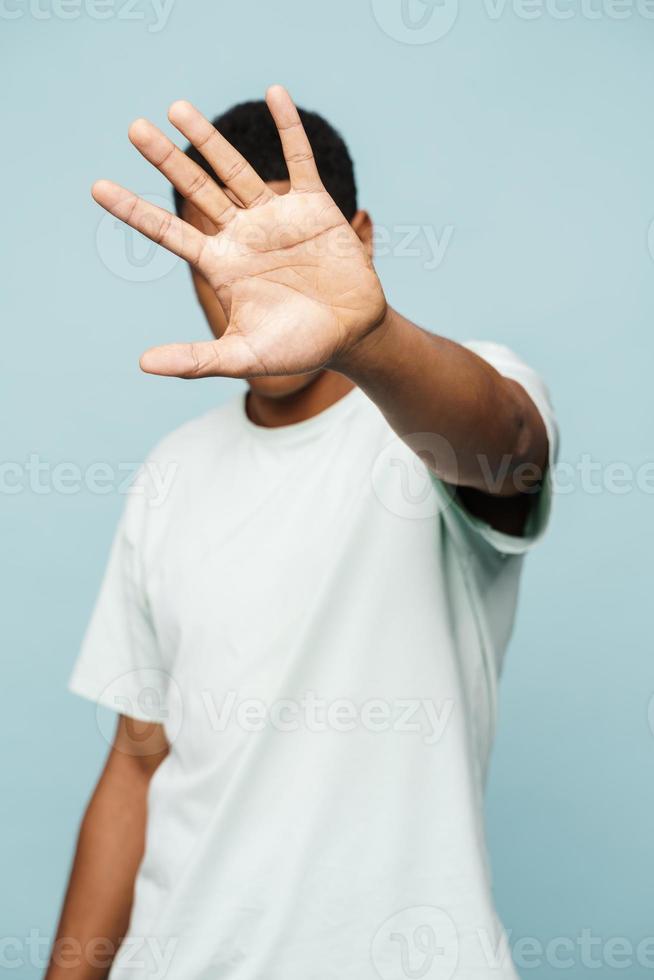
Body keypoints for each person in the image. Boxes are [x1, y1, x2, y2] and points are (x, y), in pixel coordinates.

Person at [47, 86, 558, 979]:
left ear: (357, 240)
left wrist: (370, 338)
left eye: (280, 253)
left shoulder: (444, 411)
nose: (242, 289)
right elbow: (136, 763)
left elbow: (508, 449)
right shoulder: (170, 473)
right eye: (218, 258)